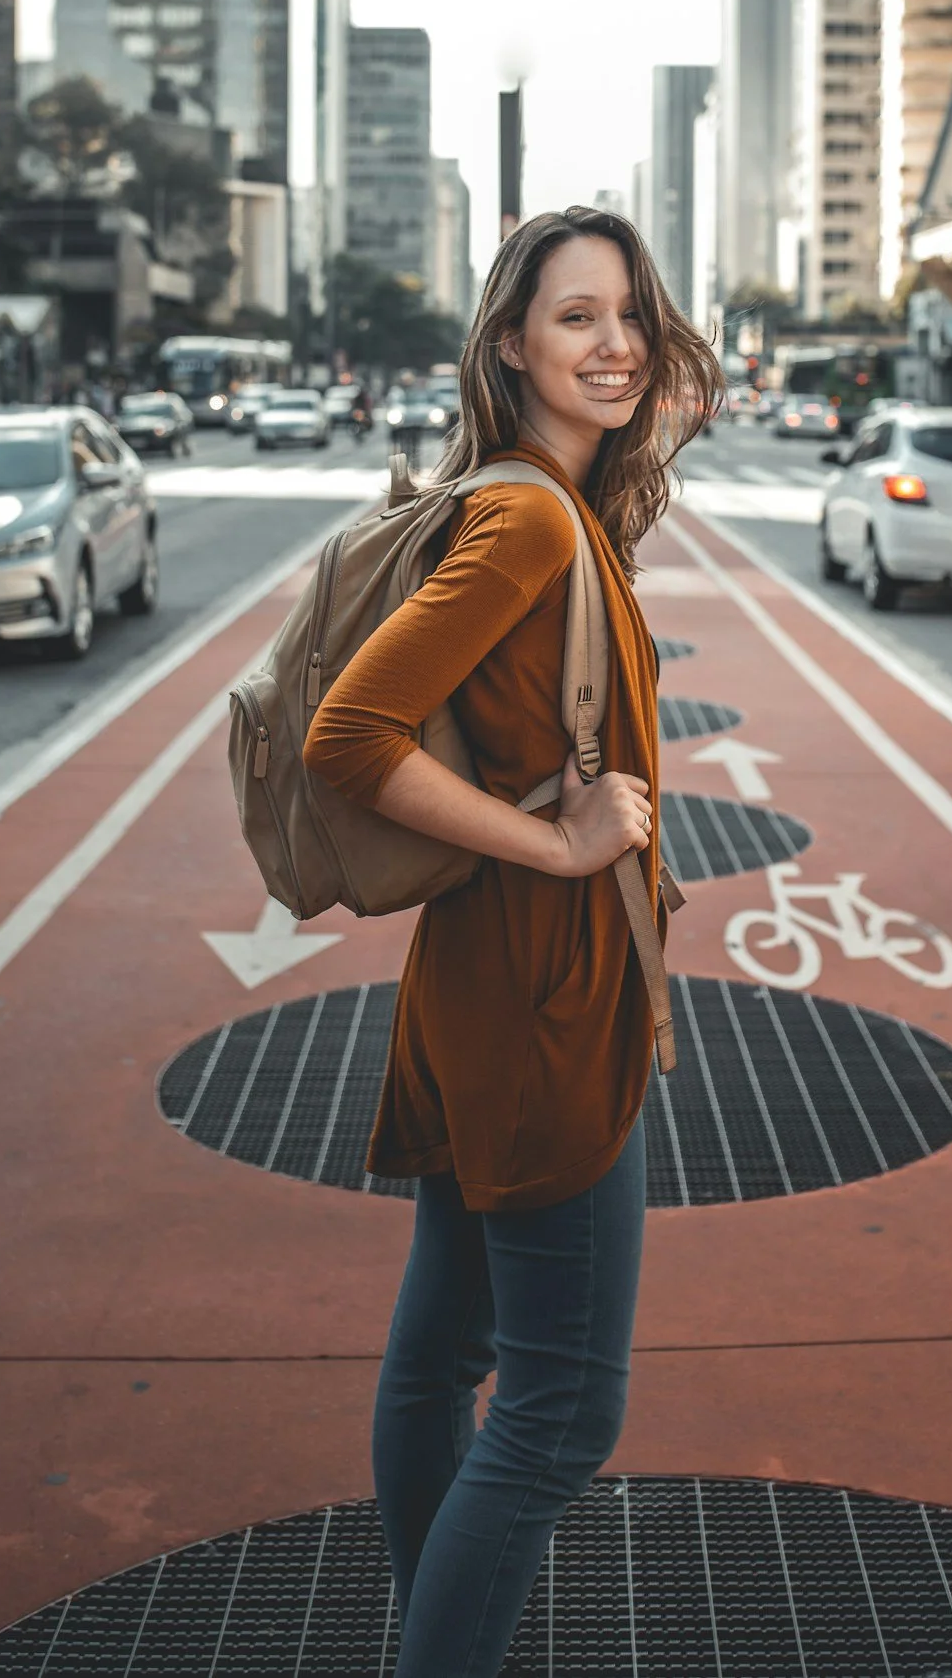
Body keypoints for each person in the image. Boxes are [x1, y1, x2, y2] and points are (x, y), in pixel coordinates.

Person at [303, 207, 723, 1678]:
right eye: (574, 319)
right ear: (509, 347)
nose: (613, 346)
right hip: (548, 1000)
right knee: (557, 1417)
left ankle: (429, 1636)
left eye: (628, 316)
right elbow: (351, 733)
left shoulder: (544, 502)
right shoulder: (532, 515)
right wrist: (556, 840)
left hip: (481, 986)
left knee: (439, 1368)